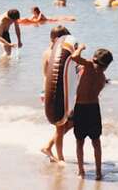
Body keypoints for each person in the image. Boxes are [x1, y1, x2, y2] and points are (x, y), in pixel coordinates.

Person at [70, 44, 114, 180]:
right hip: (94, 109)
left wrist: (81, 48)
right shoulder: (102, 76)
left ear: (94, 58)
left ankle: (81, 171)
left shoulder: (88, 66)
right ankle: (98, 172)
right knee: (96, 141)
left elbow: (74, 57)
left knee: (79, 141)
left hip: (81, 108)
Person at [41, 26, 73, 163]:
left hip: (51, 91)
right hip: (54, 93)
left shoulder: (50, 52)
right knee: (60, 126)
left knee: (71, 122)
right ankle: (60, 158)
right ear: (56, 40)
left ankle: (48, 146)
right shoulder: (51, 53)